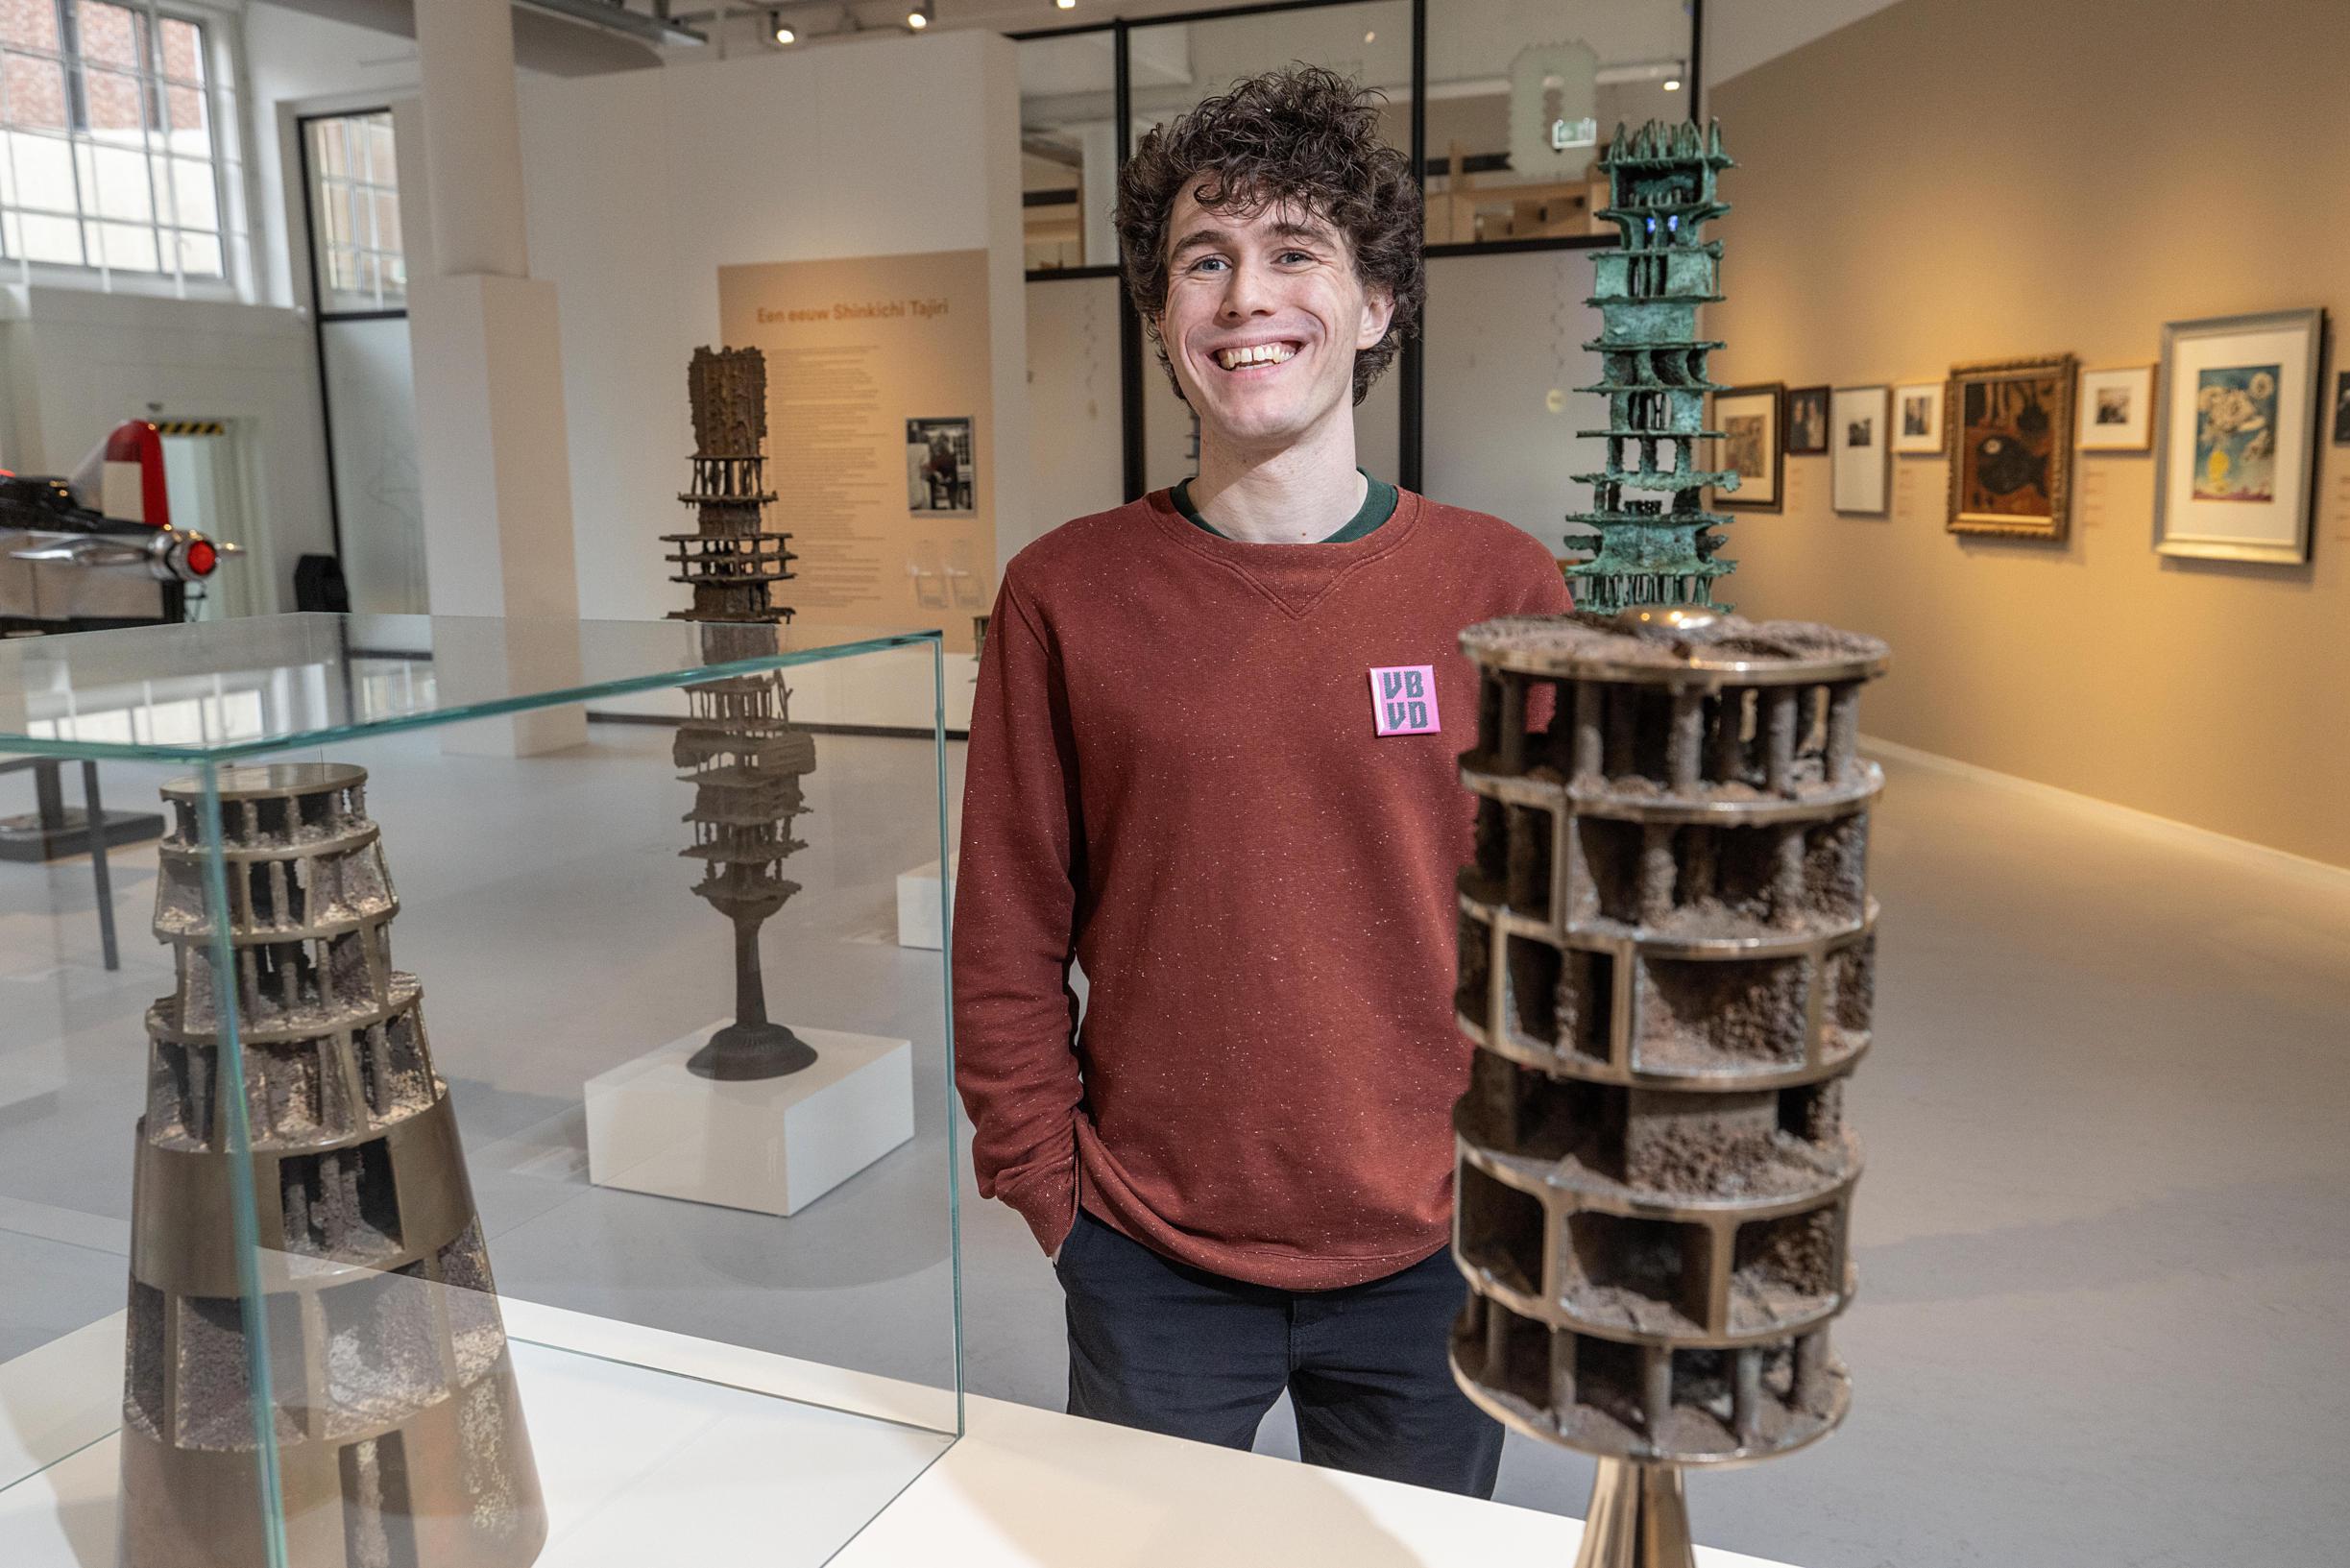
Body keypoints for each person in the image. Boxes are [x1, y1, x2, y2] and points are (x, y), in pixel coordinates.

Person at [953, 66, 1570, 1496]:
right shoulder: (1066, 596)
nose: (1246, 299)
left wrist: (1523, 1182)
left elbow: (1566, 928)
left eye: (1299, 253)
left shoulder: (1504, 586)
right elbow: (1006, 932)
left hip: (1433, 1241)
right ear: (1163, 313)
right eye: (1204, 260)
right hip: (1150, 1251)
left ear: (1375, 307)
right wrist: (1056, 1196)